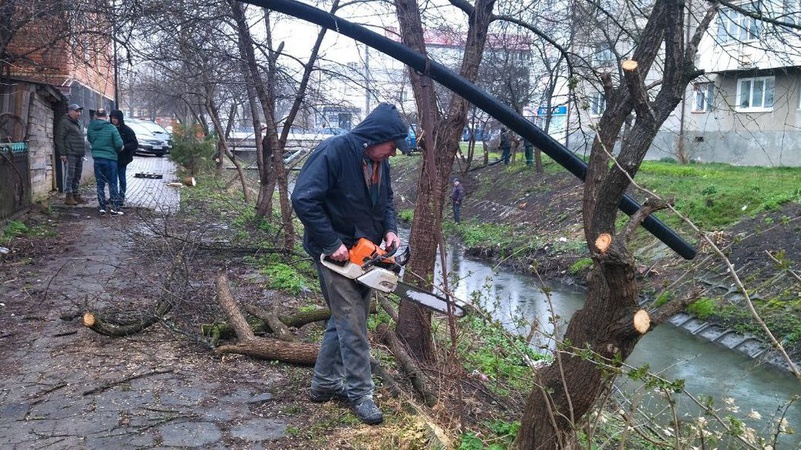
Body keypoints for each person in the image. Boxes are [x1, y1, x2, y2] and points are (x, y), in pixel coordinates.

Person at [290, 103, 410, 426]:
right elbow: (303, 198)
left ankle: (324, 383)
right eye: (392, 146)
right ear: (377, 136)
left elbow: (385, 202)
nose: (393, 153)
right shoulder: (335, 151)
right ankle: (361, 394)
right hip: (334, 256)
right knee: (352, 321)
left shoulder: (379, 162)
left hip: (365, 255)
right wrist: (332, 242)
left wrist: (390, 231)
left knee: (343, 320)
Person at [87, 109, 124, 215]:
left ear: (96, 116)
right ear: (106, 116)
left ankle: (102, 207)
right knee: (112, 183)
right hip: (110, 159)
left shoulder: (91, 127)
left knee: (100, 183)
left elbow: (90, 139)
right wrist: (118, 149)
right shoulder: (111, 127)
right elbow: (118, 144)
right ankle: (115, 207)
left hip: (97, 158)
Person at [54, 104, 86, 205]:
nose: (78, 113)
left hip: (79, 153)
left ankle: (75, 194)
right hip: (69, 153)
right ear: (70, 111)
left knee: (77, 175)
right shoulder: (64, 122)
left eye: (79, 111)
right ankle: (69, 196)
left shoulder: (78, 123)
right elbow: (59, 138)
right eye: (76, 111)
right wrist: (63, 153)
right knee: (70, 175)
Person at [109, 110, 138, 208]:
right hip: (111, 157)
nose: (114, 120)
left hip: (122, 158)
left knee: (121, 178)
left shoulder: (127, 130)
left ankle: (121, 197)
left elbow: (134, 144)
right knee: (112, 179)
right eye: (112, 118)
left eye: (115, 118)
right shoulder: (109, 128)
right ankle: (113, 196)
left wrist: (124, 147)